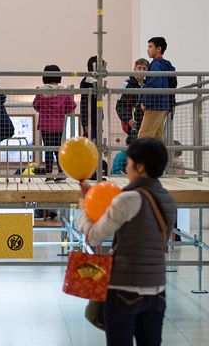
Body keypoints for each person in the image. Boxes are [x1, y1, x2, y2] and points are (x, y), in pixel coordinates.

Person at [78, 138, 177, 345]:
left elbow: (94, 236)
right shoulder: (168, 199)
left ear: (140, 167)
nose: (127, 168)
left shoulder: (127, 199)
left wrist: (85, 210)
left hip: (124, 288)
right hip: (157, 289)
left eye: (129, 162)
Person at [33, 65, 76, 182]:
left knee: (48, 149)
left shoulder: (41, 91)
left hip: (45, 125)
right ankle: (61, 173)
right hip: (58, 125)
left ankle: (49, 174)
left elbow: (36, 106)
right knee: (58, 148)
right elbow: (71, 107)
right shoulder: (64, 92)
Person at [138, 37, 176, 141]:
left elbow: (154, 86)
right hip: (162, 105)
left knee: (143, 137)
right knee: (157, 138)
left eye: (150, 47)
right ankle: (160, 153)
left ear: (158, 49)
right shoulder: (164, 64)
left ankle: (144, 153)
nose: (148, 49)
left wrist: (145, 102)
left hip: (154, 106)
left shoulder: (156, 65)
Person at [116, 58, 149, 144]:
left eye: (144, 68)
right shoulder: (126, 85)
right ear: (134, 69)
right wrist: (128, 119)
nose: (141, 71)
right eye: (139, 68)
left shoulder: (148, 85)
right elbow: (119, 106)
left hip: (146, 123)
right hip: (132, 124)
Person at [80, 56, 106, 142]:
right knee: (91, 143)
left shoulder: (95, 82)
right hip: (90, 121)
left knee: (96, 142)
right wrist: (85, 123)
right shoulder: (88, 82)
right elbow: (84, 105)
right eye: (102, 67)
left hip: (96, 119)